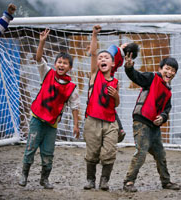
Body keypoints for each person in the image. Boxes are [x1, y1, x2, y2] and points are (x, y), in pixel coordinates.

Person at [18, 29, 80, 189]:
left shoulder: (72, 87)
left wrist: (75, 124)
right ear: (55, 64)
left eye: (65, 63)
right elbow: (38, 59)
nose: (61, 65)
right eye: (59, 62)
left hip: (52, 124)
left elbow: (75, 106)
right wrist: (42, 41)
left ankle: (44, 179)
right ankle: (24, 174)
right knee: (30, 148)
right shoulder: (47, 73)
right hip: (37, 118)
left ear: (70, 68)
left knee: (48, 154)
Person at [122, 53, 181, 192]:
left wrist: (162, 117)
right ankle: (128, 182)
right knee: (141, 153)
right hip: (141, 122)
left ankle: (166, 182)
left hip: (154, 127)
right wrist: (129, 68)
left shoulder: (168, 91)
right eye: (167, 68)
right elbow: (136, 76)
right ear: (160, 69)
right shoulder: (151, 78)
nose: (170, 72)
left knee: (161, 155)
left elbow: (167, 109)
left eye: (173, 70)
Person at [83, 25, 120, 191]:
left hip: (110, 122)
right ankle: (90, 180)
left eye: (106, 58)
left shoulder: (115, 82)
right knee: (92, 153)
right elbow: (93, 53)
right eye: (100, 58)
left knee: (109, 152)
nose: (102, 59)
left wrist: (115, 96)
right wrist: (94, 35)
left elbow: (116, 104)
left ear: (112, 64)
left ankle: (104, 181)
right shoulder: (94, 74)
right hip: (93, 120)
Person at [107, 42, 139, 142]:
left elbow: (107, 56)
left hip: (104, 81)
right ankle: (120, 129)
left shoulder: (114, 48)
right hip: (111, 82)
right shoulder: (121, 60)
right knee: (110, 106)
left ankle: (116, 129)